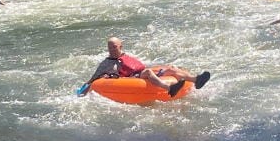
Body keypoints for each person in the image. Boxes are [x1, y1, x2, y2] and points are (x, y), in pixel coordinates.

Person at [81, 37, 211, 97]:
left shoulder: (126, 56)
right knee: (148, 72)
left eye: (114, 47)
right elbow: (94, 77)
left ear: (121, 46)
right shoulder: (107, 63)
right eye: (109, 47)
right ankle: (169, 88)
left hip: (140, 73)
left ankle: (197, 80)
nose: (111, 50)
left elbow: (138, 66)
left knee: (171, 68)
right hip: (132, 78)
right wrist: (85, 88)